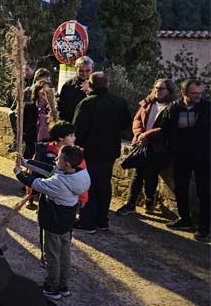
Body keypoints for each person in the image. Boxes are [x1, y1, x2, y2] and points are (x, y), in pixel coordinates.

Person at [16, 146, 91, 300]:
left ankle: (52, 288)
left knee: (52, 256)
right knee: (64, 253)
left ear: (67, 164)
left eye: (59, 158)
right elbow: (51, 169)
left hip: (54, 222)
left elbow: (36, 183)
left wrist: (19, 173)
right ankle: (63, 285)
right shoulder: (80, 174)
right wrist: (26, 162)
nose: (56, 159)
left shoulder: (60, 183)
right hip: (67, 223)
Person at [73, 71, 132, 233]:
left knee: (89, 186)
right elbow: (126, 123)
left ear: (90, 85)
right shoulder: (119, 102)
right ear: (107, 84)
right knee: (104, 185)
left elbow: (77, 129)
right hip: (110, 151)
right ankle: (102, 221)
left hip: (89, 151)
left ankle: (87, 222)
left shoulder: (86, 103)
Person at [117, 78, 178, 216]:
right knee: (137, 175)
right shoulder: (147, 103)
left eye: (161, 88)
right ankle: (130, 204)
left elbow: (167, 129)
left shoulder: (173, 107)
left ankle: (150, 200)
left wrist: (148, 136)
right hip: (141, 144)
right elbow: (137, 119)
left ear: (169, 91)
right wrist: (139, 134)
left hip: (159, 148)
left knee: (150, 175)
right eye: (156, 87)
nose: (157, 91)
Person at [158, 79, 210, 240]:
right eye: (194, 93)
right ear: (184, 92)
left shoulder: (207, 108)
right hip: (181, 155)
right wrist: (171, 147)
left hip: (203, 156)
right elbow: (164, 129)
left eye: (200, 93)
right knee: (181, 187)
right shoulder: (174, 108)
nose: (198, 96)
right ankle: (184, 219)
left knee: (204, 192)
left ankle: (205, 226)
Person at [8, 64, 44, 152]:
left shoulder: (42, 88)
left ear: (33, 69)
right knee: (13, 115)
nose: (25, 72)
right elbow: (19, 99)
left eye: (27, 69)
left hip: (35, 117)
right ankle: (17, 140)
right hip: (26, 111)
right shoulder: (24, 82)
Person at [57, 55, 94, 123]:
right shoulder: (68, 85)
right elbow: (61, 107)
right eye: (81, 71)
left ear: (92, 70)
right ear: (76, 69)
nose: (84, 74)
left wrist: (90, 91)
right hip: (71, 124)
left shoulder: (96, 85)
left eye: (87, 71)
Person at [23, 80, 53, 160]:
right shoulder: (29, 107)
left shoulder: (53, 108)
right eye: (42, 88)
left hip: (49, 141)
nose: (44, 91)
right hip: (33, 140)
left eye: (47, 89)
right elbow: (24, 125)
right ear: (37, 91)